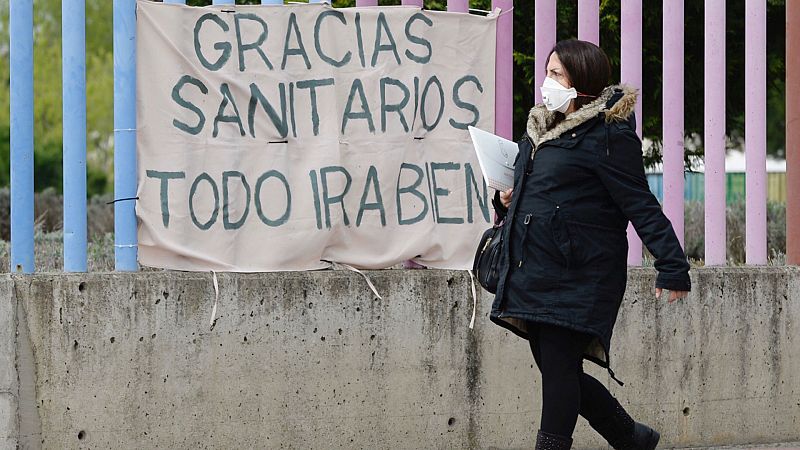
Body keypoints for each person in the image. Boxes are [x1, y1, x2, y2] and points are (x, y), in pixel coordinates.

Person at [491, 39, 691, 450]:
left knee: (560, 371)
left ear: (581, 82)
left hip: (580, 270)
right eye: (547, 71)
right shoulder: (538, 127)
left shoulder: (608, 134)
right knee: (556, 368)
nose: (546, 82)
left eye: (556, 74)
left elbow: (639, 201)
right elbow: (531, 191)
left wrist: (672, 265)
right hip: (534, 266)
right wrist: (503, 200)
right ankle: (632, 438)